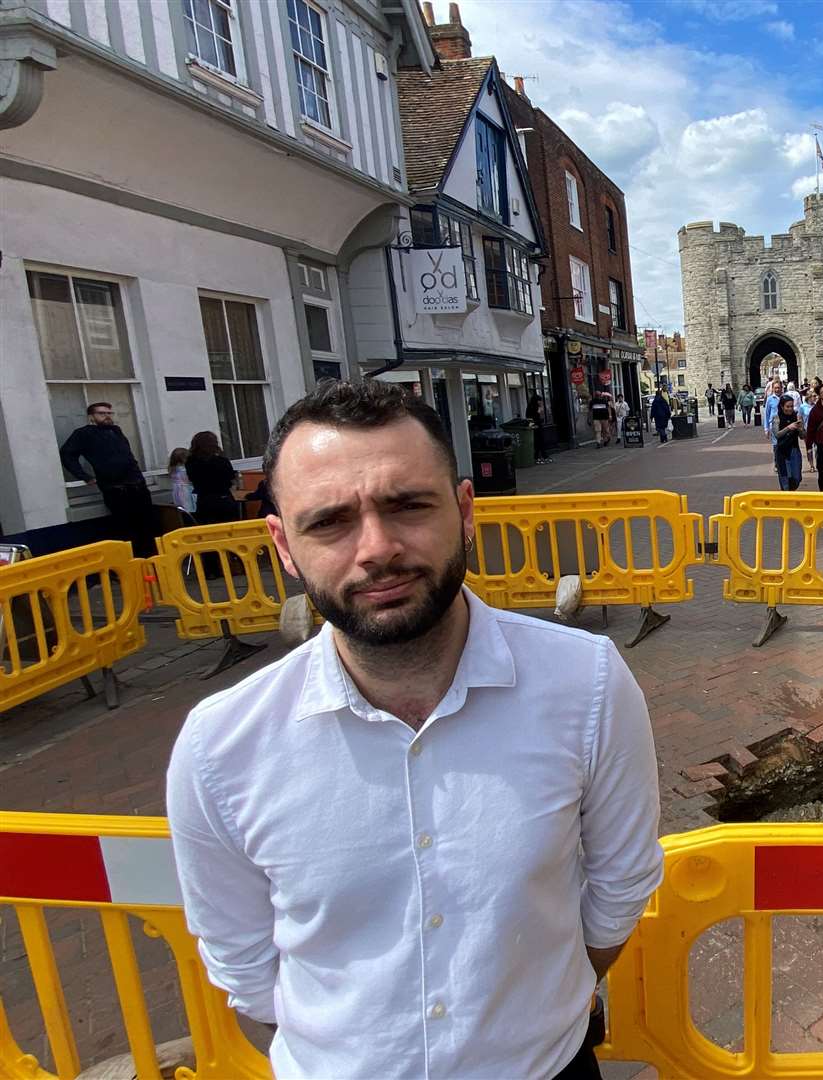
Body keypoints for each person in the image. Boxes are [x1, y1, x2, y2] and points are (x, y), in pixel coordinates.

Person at [166, 379, 663, 1080]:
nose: (376, 548)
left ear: (464, 511)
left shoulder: (586, 684)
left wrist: (531, 1015)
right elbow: (244, 965)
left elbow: (619, 888)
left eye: (407, 505)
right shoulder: (220, 747)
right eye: (330, 521)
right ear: (282, 543)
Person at [59, 401, 157, 556]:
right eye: (102, 413)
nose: (107, 416)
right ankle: (130, 563)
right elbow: (67, 455)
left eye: (109, 413)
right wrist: (84, 476)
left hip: (137, 485)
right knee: (125, 528)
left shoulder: (116, 430)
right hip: (116, 489)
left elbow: (127, 455)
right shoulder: (83, 433)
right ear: (91, 416)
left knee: (147, 526)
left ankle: (150, 562)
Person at [186, 430, 241, 577]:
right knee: (231, 533)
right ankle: (235, 565)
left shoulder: (191, 462)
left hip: (205, 501)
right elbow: (229, 478)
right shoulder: (221, 461)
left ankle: (211, 570)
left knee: (209, 536)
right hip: (223, 498)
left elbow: (192, 479)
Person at [772, 395, 805, 491]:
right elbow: (777, 434)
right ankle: (787, 499)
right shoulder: (777, 417)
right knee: (785, 480)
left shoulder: (796, 416)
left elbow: (803, 436)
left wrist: (801, 429)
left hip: (794, 450)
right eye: (787, 406)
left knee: (797, 478)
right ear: (782, 407)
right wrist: (788, 428)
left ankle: (791, 491)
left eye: (791, 406)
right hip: (782, 451)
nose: (790, 409)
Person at [168, 448, 197, 514]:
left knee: (181, 507)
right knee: (188, 506)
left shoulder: (173, 469)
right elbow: (189, 480)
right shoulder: (184, 470)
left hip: (177, 491)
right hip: (186, 490)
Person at [527, 394, 553, 464]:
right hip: (535, 426)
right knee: (539, 442)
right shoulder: (533, 407)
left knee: (538, 442)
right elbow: (534, 417)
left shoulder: (532, 407)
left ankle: (538, 457)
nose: (541, 402)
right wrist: (539, 417)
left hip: (536, 426)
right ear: (536, 401)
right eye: (539, 401)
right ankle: (544, 456)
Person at [763, 379, 782, 444]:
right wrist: (766, 428)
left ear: (781, 388)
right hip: (774, 425)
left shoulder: (785, 398)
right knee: (776, 445)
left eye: (778, 388)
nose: (777, 390)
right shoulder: (770, 399)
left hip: (784, 424)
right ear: (773, 389)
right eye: (775, 388)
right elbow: (767, 414)